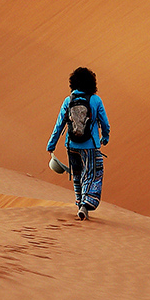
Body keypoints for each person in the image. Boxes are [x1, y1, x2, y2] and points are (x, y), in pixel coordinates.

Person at [46, 66, 110, 220]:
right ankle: (85, 205)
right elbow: (105, 123)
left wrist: (51, 144)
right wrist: (105, 137)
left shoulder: (68, 101)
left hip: (71, 145)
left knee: (77, 175)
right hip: (91, 146)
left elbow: (59, 125)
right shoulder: (95, 100)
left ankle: (80, 202)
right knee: (93, 175)